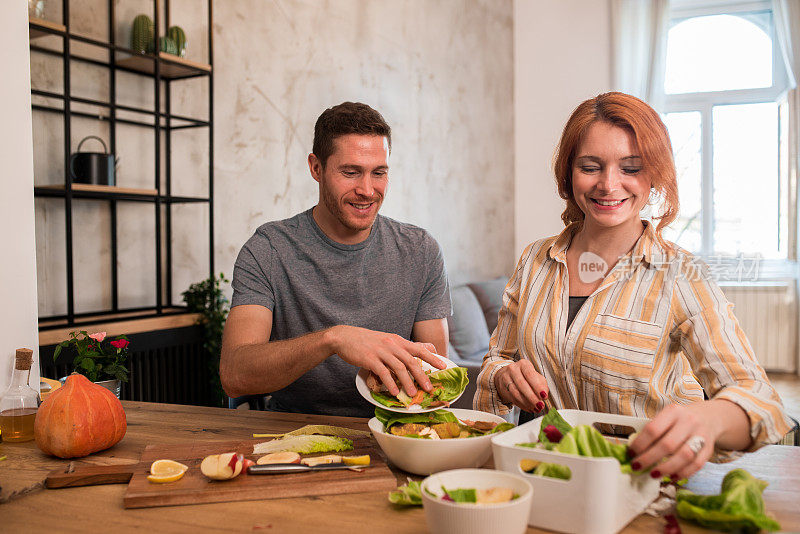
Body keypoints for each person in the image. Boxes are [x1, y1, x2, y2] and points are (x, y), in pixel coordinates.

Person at [475, 92, 791, 480]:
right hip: (544, 477)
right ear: (568, 173)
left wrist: (710, 419)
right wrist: (504, 378)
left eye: (631, 168)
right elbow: (496, 359)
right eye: (590, 166)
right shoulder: (534, 260)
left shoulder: (681, 274)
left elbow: (762, 402)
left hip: (644, 485)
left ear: (654, 174)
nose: (609, 185)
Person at [220, 102, 451, 417]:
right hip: (294, 430)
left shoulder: (421, 251)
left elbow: (438, 375)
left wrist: (401, 374)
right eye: (351, 172)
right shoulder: (269, 250)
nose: (367, 190)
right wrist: (333, 339)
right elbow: (235, 375)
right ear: (316, 168)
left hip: (393, 428)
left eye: (378, 173)